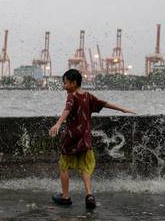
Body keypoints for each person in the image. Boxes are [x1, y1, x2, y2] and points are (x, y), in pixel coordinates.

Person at [49, 69, 135, 209]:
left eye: (65, 83)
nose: (64, 86)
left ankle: (65, 196)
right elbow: (104, 103)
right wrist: (122, 109)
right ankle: (89, 195)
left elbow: (67, 109)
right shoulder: (88, 96)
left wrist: (58, 123)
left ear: (73, 83)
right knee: (86, 167)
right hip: (85, 138)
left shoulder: (72, 95)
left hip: (71, 138)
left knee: (64, 165)